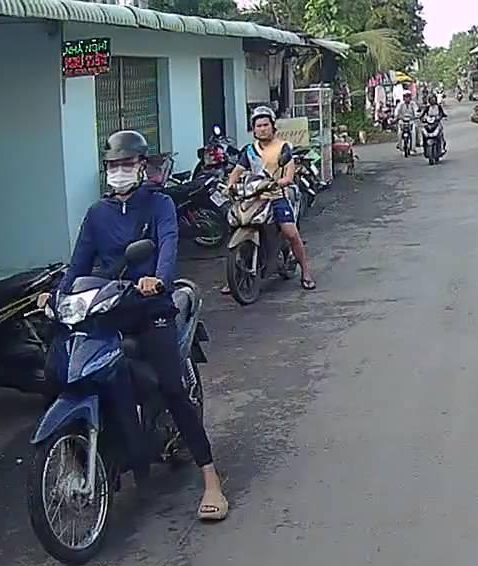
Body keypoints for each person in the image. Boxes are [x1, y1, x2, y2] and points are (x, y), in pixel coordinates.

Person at [40, 130, 230, 521]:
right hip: (108, 308)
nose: (120, 171)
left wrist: (157, 279)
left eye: (127, 163)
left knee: (173, 388)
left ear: (142, 166)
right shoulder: (97, 214)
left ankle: (211, 479)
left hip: (150, 308)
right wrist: (55, 296)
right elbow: (78, 265)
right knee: (65, 371)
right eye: (113, 164)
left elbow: (168, 247)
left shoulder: (159, 204)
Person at [225, 105, 316, 291]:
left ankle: (306, 272)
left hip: (276, 197)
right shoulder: (250, 150)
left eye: (266, 125)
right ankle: (234, 276)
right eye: (258, 126)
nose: (262, 129)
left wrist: (282, 181)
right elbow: (237, 171)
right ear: (254, 129)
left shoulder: (283, 147)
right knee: (234, 225)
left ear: (273, 126)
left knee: (291, 233)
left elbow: (289, 174)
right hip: (254, 197)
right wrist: (230, 186)